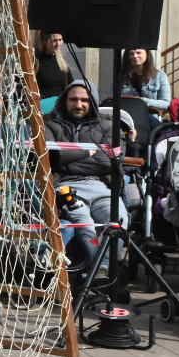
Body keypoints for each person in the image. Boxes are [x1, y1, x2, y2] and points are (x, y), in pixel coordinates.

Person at [46, 81, 140, 261]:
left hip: (101, 186)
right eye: (73, 99)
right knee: (85, 225)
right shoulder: (49, 123)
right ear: (65, 101)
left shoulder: (109, 127)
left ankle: (101, 269)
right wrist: (87, 152)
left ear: (92, 102)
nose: (79, 104)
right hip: (65, 186)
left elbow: (107, 162)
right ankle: (99, 270)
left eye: (84, 100)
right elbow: (51, 158)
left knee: (118, 221)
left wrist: (68, 157)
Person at [119, 47, 171, 116]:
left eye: (138, 53)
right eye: (131, 54)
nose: (135, 56)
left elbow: (166, 104)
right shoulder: (122, 76)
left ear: (147, 54)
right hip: (127, 117)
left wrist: (142, 101)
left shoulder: (160, 76)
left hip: (150, 117)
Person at [34, 31, 71, 105]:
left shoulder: (62, 62)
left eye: (60, 40)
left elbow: (70, 85)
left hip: (60, 107)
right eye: (54, 41)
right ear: (45, 41)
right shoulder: (36, 61)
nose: (58, 44)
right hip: (43, 107)